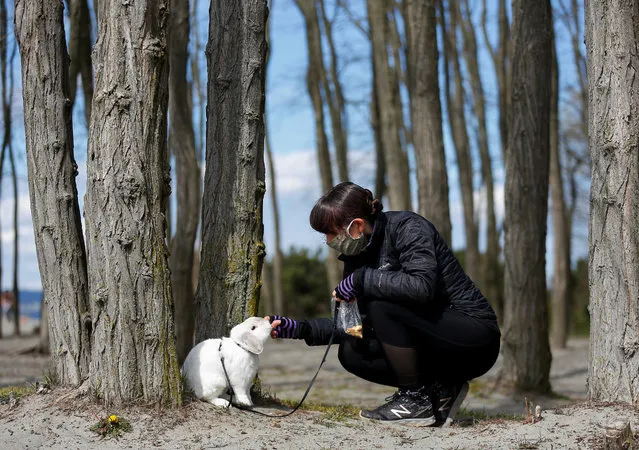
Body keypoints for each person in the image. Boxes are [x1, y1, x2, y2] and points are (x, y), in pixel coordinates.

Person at [267, 182, 500, 424]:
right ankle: (438, 390)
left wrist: (363, 279)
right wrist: (301, 329)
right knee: (351, 352)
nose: (327, 241)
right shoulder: (355, 256)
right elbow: (355, 325)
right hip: (433, 345)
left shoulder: (408, 228)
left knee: (381, 304)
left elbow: (422, 286)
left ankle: (414, 400)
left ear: (356, 225)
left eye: (331, 232)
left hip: (475, 337)